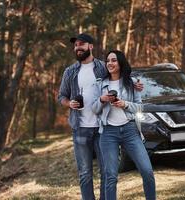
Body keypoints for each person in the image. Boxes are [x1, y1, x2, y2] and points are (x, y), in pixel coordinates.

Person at [58, 34, 143, 200]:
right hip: (80, 128)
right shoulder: (70, 72)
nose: (78, 48)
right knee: (85, 173)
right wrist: (69, 104)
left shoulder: (103, 67)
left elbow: (120, 76)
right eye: (75, 45)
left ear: (90, 46)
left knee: (106, 171)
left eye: (81, 44)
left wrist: (134, 84)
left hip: (102, 127)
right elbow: (61, 96)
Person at [92, 50, 156, 200]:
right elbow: (94, 109)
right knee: (111, 176)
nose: (110, 63)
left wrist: (124, 104)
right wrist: (102, 99)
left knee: (147, 171)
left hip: (130, 130)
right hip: (108, 133)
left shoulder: (132, 83)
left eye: (113, 60)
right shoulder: (100, 84)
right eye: (108, 61)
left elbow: (140, 107)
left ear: (120, 62)